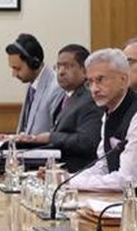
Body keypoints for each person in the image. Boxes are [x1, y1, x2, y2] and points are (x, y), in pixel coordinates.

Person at [69, 48, 137, 194]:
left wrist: (72, 182)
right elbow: (103, 166)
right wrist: (66, 178)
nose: (94, 89)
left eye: (100, 80)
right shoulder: (109, 113)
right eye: (90, 82)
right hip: (122, 200)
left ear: (123, 80)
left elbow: (127, 180)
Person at [20, 43, 100, 173]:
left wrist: (50, 137)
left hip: (78, 173)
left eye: (68, 66)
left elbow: (87, 142)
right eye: (58, 67)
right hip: (56, 168)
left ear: (85, 70)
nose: (61, 72)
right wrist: (33, 140)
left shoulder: (89, 99)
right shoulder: (66, 97)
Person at [2, 33, 63, 140]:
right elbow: (27, 133)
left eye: (17, 68)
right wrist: (4, 138)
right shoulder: (33, 85)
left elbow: (57, 135)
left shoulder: (56, 88)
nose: (14, 74)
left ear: (34, 63)